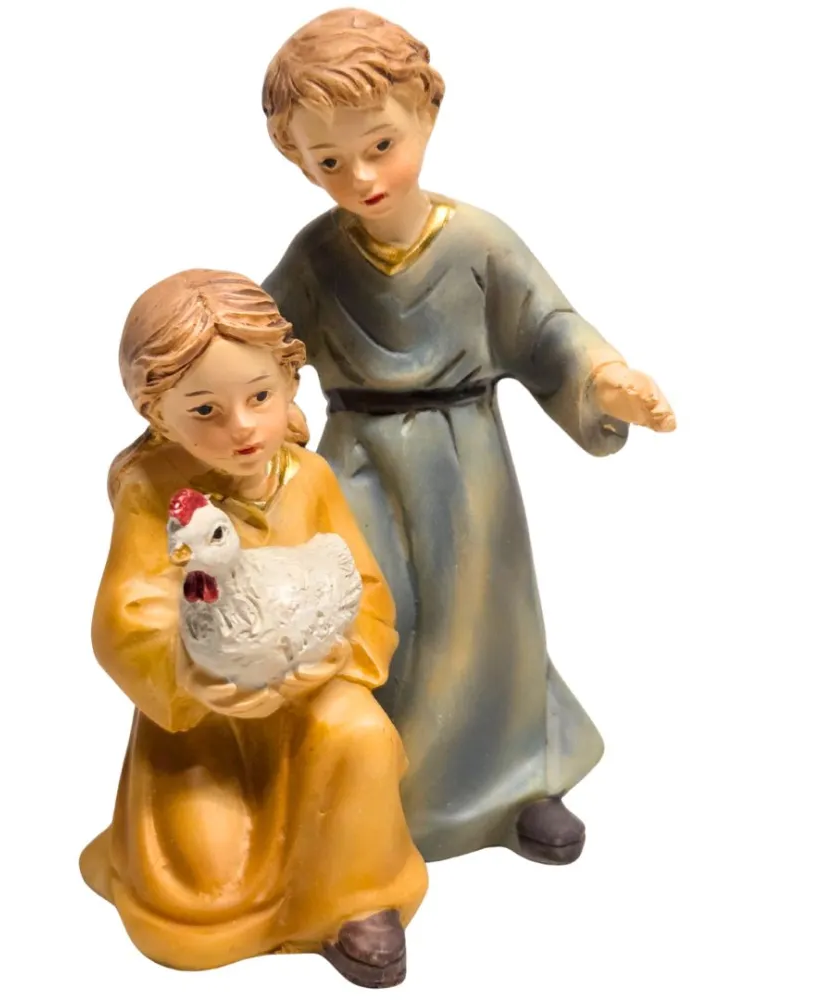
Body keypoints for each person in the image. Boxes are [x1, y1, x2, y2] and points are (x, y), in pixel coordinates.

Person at [262, 9, 676, 865]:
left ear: (426, 113)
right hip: (358, 461)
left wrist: (605, 380)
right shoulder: (316, 256)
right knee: (370, 615)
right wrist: (245, 399)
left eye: (380, 145)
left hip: (466, 458)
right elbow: (267, 338)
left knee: (484, 616)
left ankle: (513, 782)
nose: (361, 176)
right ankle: (371, 798)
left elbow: (549, 327)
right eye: (328, 161)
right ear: (297, 160)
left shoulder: (480, 241)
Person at [80, 269, 427, 988]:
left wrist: (335, 657)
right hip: (208, 722)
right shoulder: (154, 493)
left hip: (312, 697)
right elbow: (127, 612)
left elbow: (364, 587)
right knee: (202, 893)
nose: (240, 426)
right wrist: (190, 674)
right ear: (157, 413)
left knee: (361, 734)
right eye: (205, 409)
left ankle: (356, 900)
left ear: (290, 382)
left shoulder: (310, 478)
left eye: (259, 397)